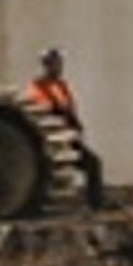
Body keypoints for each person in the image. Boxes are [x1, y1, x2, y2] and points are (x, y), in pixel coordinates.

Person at [26, 47, 107, 209]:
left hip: (67, 137)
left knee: (93, 162)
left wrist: (76, 126)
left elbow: (69, 109)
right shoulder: (37, 86)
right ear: (46, 65)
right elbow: (45, 110)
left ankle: (97, 202)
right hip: (50, 139)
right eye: (54, 64)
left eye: (59, 64)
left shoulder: (61, 86)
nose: (58, 68)